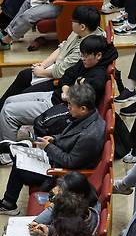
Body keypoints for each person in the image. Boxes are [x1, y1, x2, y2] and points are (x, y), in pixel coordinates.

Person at [0, 82, 106, 215]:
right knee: (22, 156)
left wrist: (48, 147)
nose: (68, 108)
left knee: (19, 164)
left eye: (70, 106)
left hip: (60, 173)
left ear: (83, 108)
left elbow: (70, 162)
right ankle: (20, 148)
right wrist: (54, 139)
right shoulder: (87, 117)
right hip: (56, 159)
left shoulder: (90, 135)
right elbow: (67, 135)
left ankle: (9, 204)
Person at [0, 35, 115, 143]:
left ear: (98, 55)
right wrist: (66, 90)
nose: (82, 58)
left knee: (8, 112)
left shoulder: (98, 76)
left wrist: (70, 91)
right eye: (82, 55)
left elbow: (80, 99)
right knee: (9, 100)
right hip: (55, 96)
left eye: (85, 55)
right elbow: (67, 75)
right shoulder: (87, 63)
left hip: (60, 107)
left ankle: (7, 154)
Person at [0, 6, 103, 110]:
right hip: (57, 70)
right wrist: (43, 65)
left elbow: (62, 71)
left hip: (63, 81)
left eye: (73, 21)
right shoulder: (81, 32)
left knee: (22, 95)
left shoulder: (88, 46)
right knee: (24, 75)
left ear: (82, 26)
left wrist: (41, 72)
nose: (71, 23)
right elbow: (62, 48)